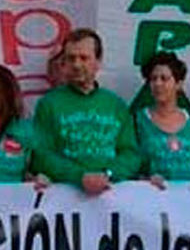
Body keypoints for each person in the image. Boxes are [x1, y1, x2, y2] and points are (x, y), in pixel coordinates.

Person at [31, 29, 140, 195]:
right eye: (71, 58)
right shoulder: (48, 104)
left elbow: (131, 153)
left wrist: (108, 174)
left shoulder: (116, 105)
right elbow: (41, 155)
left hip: (112, 200)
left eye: (84, 58)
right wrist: (80, 177)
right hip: (65, 200)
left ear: (98, 62)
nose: (76, 64)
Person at [133, 52, 190, 189]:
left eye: (164, 79)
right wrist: (145, 179)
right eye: (153, 79)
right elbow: (130, 166)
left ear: (178, 84)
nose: (158, 84)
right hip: (151, 202)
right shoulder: (137, 120)